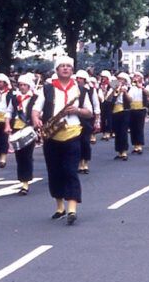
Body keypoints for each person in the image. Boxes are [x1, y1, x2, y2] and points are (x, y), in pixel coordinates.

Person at [31, 56, 96, 224]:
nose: (65, 69)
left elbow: (90, 112)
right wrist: (36, 120)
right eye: (62, 66)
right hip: (52, 134)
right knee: (54, 171)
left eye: (68, 66)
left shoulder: (80, 89)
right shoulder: (47, 89)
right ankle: (60, 207)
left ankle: (72, 209)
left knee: (70, 170)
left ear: (72, 69)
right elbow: (36, 109)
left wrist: (78, 110)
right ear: (57, 70)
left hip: (73, 133)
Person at [12, 74, 38, 194]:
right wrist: (7, 124)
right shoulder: (14, 98)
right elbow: (8, 112)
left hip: (29, 128)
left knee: (27, 155)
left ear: (29, 86)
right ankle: (22, 179)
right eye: (20, 85)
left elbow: (39, 112)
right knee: (19, 156)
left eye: (24, 85)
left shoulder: (35, 98)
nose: (22, 87)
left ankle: (25, 184)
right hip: (16, 129)